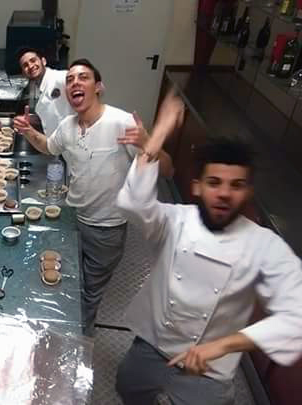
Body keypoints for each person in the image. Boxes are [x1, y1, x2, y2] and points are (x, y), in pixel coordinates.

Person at [115, 96, 302, 404]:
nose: (225, 193)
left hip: (210, 369)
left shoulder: (264, 245)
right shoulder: (176, 220)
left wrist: (224, 346)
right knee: (129, 389)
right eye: (214, 182)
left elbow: (296, 316)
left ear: (248, 192)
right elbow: (132, 204)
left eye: (236, 185)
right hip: (153, 345)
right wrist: (159, 132)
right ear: (197, 186)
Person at [13, 58, 174, 334]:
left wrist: (147, 142)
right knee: (66, 281)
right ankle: (62, 332)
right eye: (70, 79)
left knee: (89, 294)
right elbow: (49, 147)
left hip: (107, 230)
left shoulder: (121, 122)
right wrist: (29, 132)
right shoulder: (67, 126)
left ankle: (81, 340)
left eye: (83, 77)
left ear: (99, 87)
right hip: (72, 219)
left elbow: (168, 170)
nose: (75, 82)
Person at [16, 47, 73, 136]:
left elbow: (92, 91)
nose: (30, 66)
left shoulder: (60, 77)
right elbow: (52, 114)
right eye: (25, 65)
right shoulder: (38, 88)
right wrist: (31, 119)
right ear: (23, 73)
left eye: (33, 60)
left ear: (43, 61)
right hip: (55, 140)